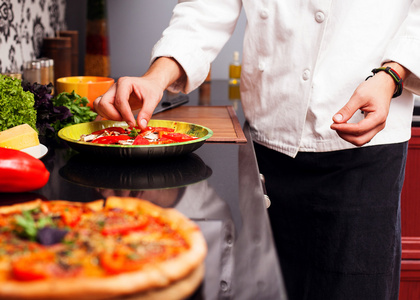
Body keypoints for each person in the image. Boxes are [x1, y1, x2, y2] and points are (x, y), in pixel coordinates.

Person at [94, 1, 420, 299]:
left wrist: (393, 73)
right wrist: (156, 77)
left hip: (362, 148)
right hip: (267, 144)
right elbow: (204, 10)